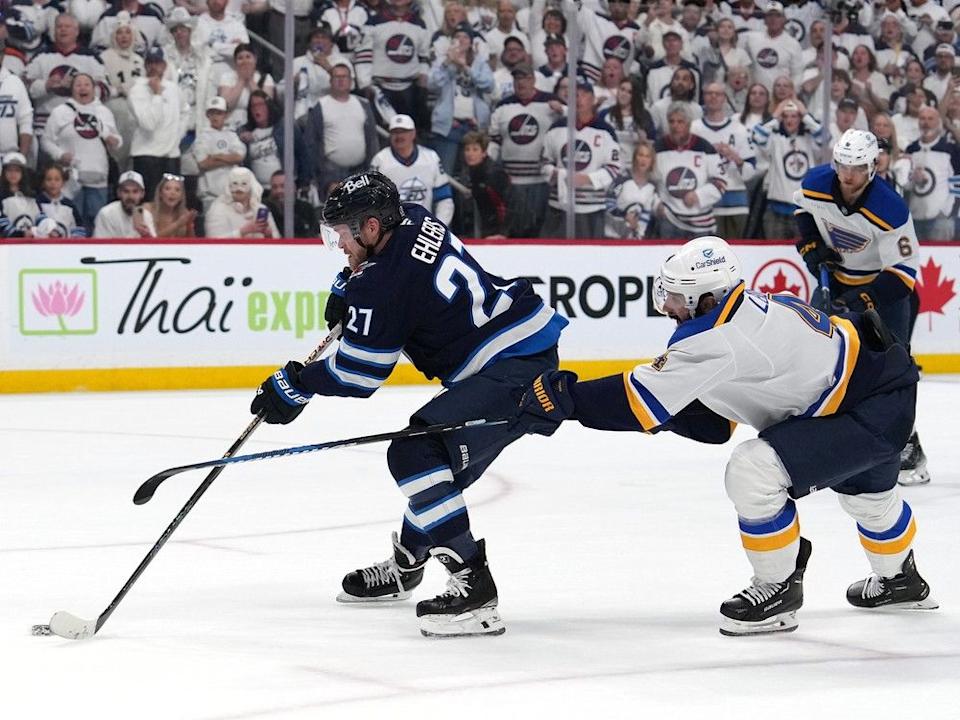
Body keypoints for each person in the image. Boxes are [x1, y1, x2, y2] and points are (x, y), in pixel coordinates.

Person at [521, 236, 938, 636]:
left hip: (867, 406)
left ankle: (778, 589)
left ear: (703, 298)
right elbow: (713, 422)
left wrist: (566, 396)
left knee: (754, 470)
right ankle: (900, 580)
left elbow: (636, 400)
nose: (665, 303)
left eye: (673, 294)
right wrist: (660, 409)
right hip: (878, 385)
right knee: (868, 497)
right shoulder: (739, 312)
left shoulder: (718, 337)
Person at [250, 169, 567, 637]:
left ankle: (475, 590)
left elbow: (361, 373)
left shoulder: (381, 284)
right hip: (522, 349)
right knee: (440, 474)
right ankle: (407, 565)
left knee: (415, 453)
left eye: (342, 234)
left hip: (511, 369)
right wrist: (347, 284)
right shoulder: (415, 218)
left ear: (372, 227)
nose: (339, 244)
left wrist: (298, 383)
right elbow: (395, 278)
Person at [793, 128, 929, 486]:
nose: (847, 175)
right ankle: (818, 439)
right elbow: (801, 211)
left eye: (855, 167)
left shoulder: (890, 208)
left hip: (885, 293)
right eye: (842, 165)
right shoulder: (817, 182)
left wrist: (860, 300)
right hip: (836, 281)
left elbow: (902, 275)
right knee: (816, 358)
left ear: (873, 166)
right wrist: (810, 248)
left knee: (893, 370)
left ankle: (907, 445)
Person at [41, 73, 122, 231]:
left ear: (94, 89)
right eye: (78, 84)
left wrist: (114, 141)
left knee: (97, 224)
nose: (83, 88)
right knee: (71, 222)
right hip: (70, 180)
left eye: (87, 84)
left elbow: (117, 140)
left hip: (98, 179)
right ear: (72, 89)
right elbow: (45, 140)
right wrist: (59, 155)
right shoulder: (60, 112)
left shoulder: (104, 112)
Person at [540, 79, 622, 238]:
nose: (578, 99)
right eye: (575, 95)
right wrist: (557, 175)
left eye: (583, 95)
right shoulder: (556, 128)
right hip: (559, 207)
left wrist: (588, 179)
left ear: (593, 99)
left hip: (592, 208)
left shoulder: (605, 131)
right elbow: (544, 163)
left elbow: (614, 167)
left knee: (592, 258)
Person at [486, 61, 559, 237]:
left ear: (533, 80)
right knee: (515, 228)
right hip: (512, 182)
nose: (521, 82)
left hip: (541, 180)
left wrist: (562, 109)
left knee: (539, 227)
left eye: (525, 77)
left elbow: (569, 126)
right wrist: (489, 166)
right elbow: (495, 141)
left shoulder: (549, 102)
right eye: (517, 78)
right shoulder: (503, 106)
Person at [299, 61, 378, 202]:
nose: (341, 80)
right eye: (337, 77)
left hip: (360, 170)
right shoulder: (321, 106)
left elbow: (372, 139)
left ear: (351, 81)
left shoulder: (363, 104)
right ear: (331, 81)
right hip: (331, 173)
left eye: (344, 77)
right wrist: (319, 173)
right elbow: (311, 142)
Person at [652, 102, 726, 239]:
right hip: (669, 220)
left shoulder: (705, 147)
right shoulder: (658, 148)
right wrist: (656, 204)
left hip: (700, 223)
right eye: (672, 121)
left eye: (680, 122)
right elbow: (647, 181)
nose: (675, 126)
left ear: (689, 124)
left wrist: (698, 196)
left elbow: (720, 182)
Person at [370, 113, 454, 225]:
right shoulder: (380, 160)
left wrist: (439, 226)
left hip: (424, 227)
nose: (399, 136)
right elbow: (373, 202)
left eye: (403, 131)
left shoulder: (431, 158)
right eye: (395, 132)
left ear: (413, 133)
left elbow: (444, 198)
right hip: (393, 229)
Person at [128, 47, 184, 200]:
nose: (153, 67)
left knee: (172, 203)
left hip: (171, 156)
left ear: (164, 66)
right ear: (145, 66)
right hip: (146, 155)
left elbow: (185, 111)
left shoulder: (173, 88)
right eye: (150, 63)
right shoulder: (136, 90)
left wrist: (178, 135)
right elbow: (148, 124)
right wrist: (157, 94)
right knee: (149, 204)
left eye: (157, 63)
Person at [194, 96, 245, 210]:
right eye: (212, 113)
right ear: (208, 115)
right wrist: (229, 159)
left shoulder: (232, 135)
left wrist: (217, 156)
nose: (215, 117)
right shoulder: (202, 137)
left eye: (219, 113)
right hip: (210, 196)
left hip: (232, 195)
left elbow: (239, 157)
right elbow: (203, 163)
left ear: (225, 115)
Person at [456, 130, 510, 238]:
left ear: (484, 152)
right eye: (467, 149)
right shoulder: (467, 173)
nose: (470, 154)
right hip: (477, 230)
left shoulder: (494, 174)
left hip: (496, 232)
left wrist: (502, 233)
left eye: (475, 149)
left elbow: (506, 205)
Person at [204, 166, 279, 238]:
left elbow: (278, 242)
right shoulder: (217, 210)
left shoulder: (261, 209)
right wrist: (242, 232)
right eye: (235, 183)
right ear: (229, 185)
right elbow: (213, 243)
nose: (239, 188)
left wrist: (269, 235)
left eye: (244, 183)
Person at [605, 140, 656, 239]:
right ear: (634, 157)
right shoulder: (621, 179)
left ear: (652, 161)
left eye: (647, 156)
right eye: (640, 155)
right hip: (612, 237)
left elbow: (646, 213)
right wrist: (624, 216)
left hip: (633, 240)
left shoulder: (651, 187)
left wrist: (639, 231)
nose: (643, 160)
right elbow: (608, 204)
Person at [93, 170, 157, 238]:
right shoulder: (106, 213)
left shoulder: (146, 216)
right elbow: (101, 245)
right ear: (118, 193)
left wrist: (146, 235)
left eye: (135, 192)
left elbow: (153, 246)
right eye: (126, 191)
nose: (130, 196)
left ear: (142, 194)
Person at [36, 163, 86, 238]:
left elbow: (79, 228)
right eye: (49, 179)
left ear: (63, 182)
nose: (53, 183)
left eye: (57, 179)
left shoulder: (69, 205)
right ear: (43, 182)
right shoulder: (38, 202)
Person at [264, 170, 316, 237]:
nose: (279, 191)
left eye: (283, 186)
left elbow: (313, 235)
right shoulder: (265, 209)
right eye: (274, 187)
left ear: (293, 188)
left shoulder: (307, 208)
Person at [0, 152, 42, 236]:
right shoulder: (1, 196)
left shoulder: (32, 196)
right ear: (4, 173)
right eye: (9, 170)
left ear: (23, 173)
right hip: (7, 245)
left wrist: (49, 228)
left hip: (31, 242)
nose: (13, 174)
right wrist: (20, 234)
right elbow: (1, 222)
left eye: (17, 170)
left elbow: (40, 216)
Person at [144, 172, 197, 237]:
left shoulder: (184, 213)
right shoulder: (148, 209)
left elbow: (192, 244)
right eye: (167, 189)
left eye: (177, 190)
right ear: (160, 193)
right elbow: (151, 240)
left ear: (181, 196)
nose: (172, 193)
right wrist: (177, 224)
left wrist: (189, 224)